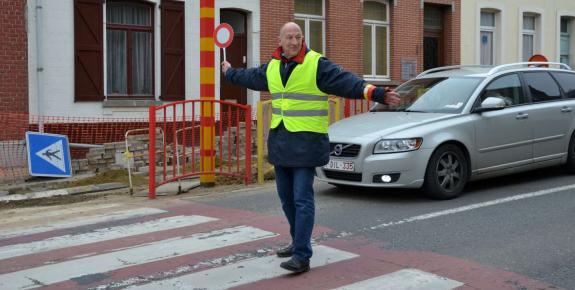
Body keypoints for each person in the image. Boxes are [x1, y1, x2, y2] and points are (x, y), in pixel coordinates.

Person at [221, 22, 400, 273]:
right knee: (286, 199)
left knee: (302, 199)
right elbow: (250, 77)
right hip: (281, 141)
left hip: (307, 143)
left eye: (298, 37)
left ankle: (302, 255)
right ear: (280, 40)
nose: (294, 42)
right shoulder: (273, 66)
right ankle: (297, 242)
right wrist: (230, 72)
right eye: (289, 38)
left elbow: (346, 81)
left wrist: (376, 93)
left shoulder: (316, 64)